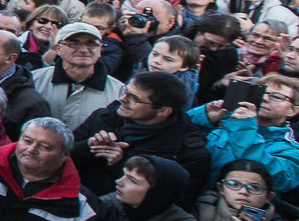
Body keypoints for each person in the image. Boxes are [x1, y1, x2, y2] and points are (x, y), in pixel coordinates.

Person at [71, 72, 211, 200]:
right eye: (126, 91)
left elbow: (175, 202)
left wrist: (120, 166)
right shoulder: (103, 117)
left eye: (134, 99)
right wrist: (90, 147)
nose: (122, 98)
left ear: (163, 111)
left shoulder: (190, 153)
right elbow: (65, 157)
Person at [187, 73, 299, 195]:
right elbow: (175, 134)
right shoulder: (225, 123)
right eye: (261, 92)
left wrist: (245, 127)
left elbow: (277, 178)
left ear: (292, 110)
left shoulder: (291, 151)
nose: (265, 98)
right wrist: (203, 117)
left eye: (277, 97)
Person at [31, 23, 123, 131]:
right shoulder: (35, 80)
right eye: (74, 43)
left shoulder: (119, 92)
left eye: (91, 43)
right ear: (59, 49)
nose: (84, 49)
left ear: (100, 49)